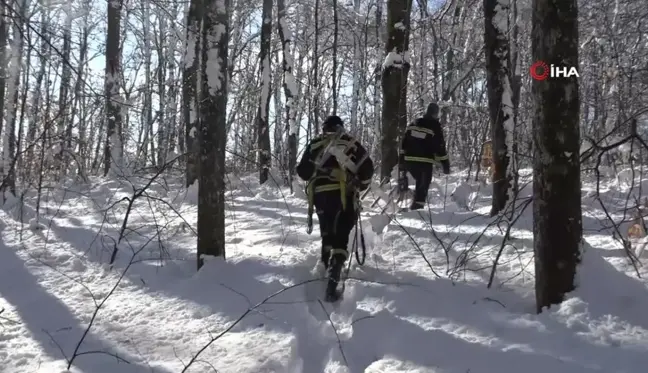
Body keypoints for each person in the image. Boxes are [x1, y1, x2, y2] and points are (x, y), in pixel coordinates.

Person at [296, 115, 374, 299]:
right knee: (342, 232)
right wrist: (361, 185)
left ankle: (325, 262)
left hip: (320, 195)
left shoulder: (315, 144)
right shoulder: (350, 143)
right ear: (341, 127)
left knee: (327, 230)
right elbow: (367, 168)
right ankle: (334, 274)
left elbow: (303, 172)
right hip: (343, 194)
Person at [398, 102, 450, 210]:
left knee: (419, 183)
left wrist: (402, 159)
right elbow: (440, 146)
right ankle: (417, 210)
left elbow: (404, 141)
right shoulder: (435, 126)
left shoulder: (414, 123)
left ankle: (413, 203)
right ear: (435, 114)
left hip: (409, 160)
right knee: (423, 184)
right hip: (424, 161)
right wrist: (445, 164)